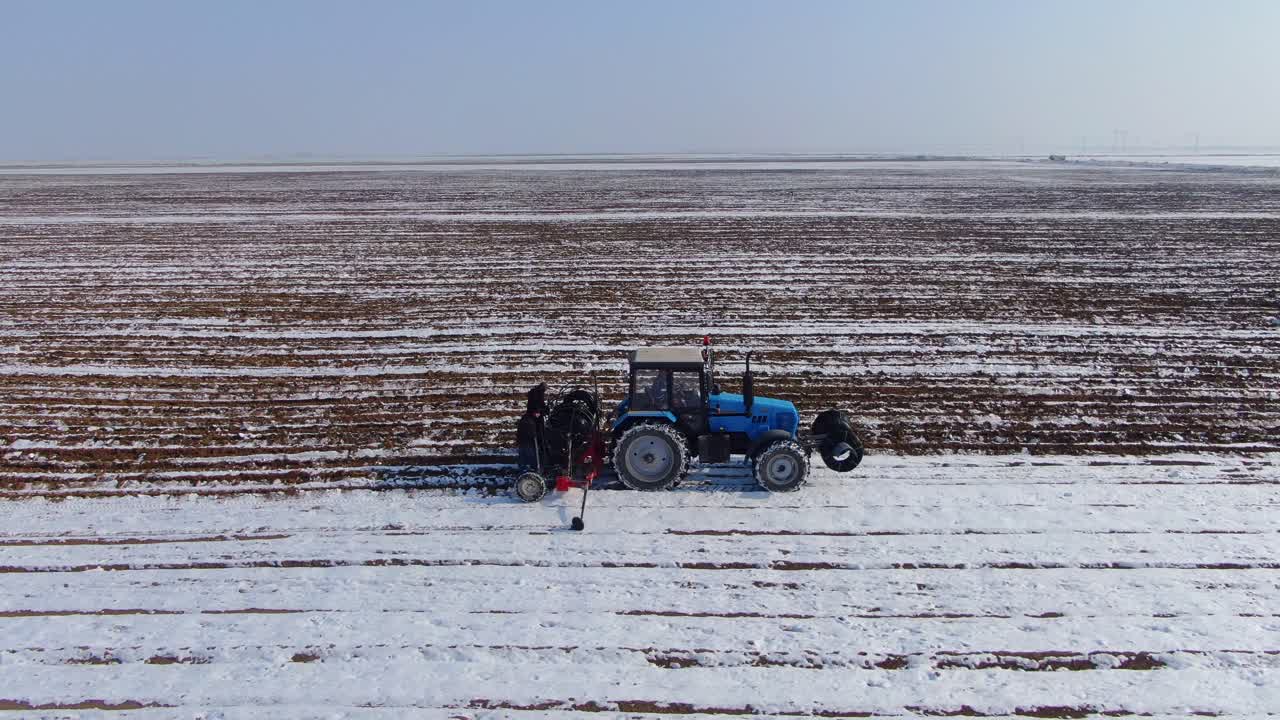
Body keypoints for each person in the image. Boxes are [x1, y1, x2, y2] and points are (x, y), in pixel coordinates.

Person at [516, 383, 548, 471]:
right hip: (528, 440)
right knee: (530, 453)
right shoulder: (530, 420)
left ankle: (525, 468)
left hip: (524, 440)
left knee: (525, 453)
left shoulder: (527, 417)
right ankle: (531, 468)